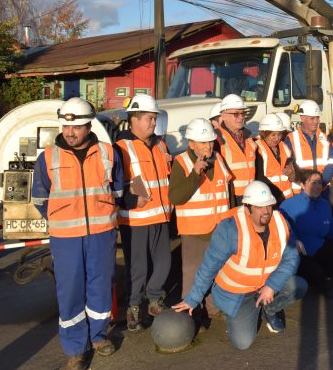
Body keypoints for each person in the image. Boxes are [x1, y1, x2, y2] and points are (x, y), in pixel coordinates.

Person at [31, 98, 122, 370]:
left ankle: (98, 337)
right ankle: (75, 348)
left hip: (101, 234)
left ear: (88, 125)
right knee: (69, 291)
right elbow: (40, 199)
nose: (70, 133)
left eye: (77, 127)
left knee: (100, 287)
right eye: (66, 127)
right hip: (66, 238)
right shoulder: (47, 157)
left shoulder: (109, 152)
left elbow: (117, 191)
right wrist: (62, 219)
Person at [172, 181, 307, 349]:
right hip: (238, 294)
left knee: (299, 286)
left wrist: (271, 286)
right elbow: (209, 266)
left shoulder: (279, 223)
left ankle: (269, 308)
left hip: (265, 284)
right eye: (259, 206)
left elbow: (292, 258)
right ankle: (244, 311)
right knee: (243, 343)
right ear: (247, 207)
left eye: (268, 205)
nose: (266, 211)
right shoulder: (230, 230)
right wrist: (193, 299)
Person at [115, 93, 173, 331]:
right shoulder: (120, 148)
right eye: (149, 118)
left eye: (154, 118)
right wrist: (131, 200)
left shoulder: (160, 143)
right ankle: (134, 306)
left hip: (160, 214)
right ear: (134, 119)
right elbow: (116, 184)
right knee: (137, 267)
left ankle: (155, 300)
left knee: (163, 262)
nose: (153, 122)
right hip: (136, 218)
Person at [169, 118, 233, 317]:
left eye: (210, 141)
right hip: (195, 231)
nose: (208, 146)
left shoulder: (219, 159)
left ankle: (214, 307)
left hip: (219, 228)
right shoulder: (182, 162)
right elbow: (176, 197)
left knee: (218, 271)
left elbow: (227, 192)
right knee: (193, 273)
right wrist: (195, 173)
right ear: (191, 144)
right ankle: (190, 313)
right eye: (203, 142)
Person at [279, 169, 333, 290]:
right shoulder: (288, 205)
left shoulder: (325, 205)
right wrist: (294, 240)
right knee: (319, 279)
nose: (317, 186)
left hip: (318, 247)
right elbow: (280, 228)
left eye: (319, 183)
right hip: (299, 252)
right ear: (303, 185)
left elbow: (332, 230)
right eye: (312, 183)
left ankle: (322, 275)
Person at [216, 94, 257, 205]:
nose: (241, 117)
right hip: (232, 198)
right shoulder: (216, 140)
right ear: (223, 115)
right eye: (236, 114)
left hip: (252, 197)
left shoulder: (249, 138)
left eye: (243, 113)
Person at [285, 100, 333, 188]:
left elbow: (332, 160)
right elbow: (289, 164)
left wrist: (322, 182)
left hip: (323, 190)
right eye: (312, 118)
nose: (316, 121)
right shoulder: (291, 139)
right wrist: (306, 183)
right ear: (302, 118)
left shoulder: (324, 137)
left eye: (317, 118)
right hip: (301, 190)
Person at [254, 114, 296, 204]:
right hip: (270, 200)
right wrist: (277, 195)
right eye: (273, 135)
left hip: (288, 200)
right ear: (264, 134)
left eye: (279, 134)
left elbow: (292, 176)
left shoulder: (285, 148)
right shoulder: (257, 149)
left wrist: (292, 174)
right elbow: (259, 178)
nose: (277, 138)